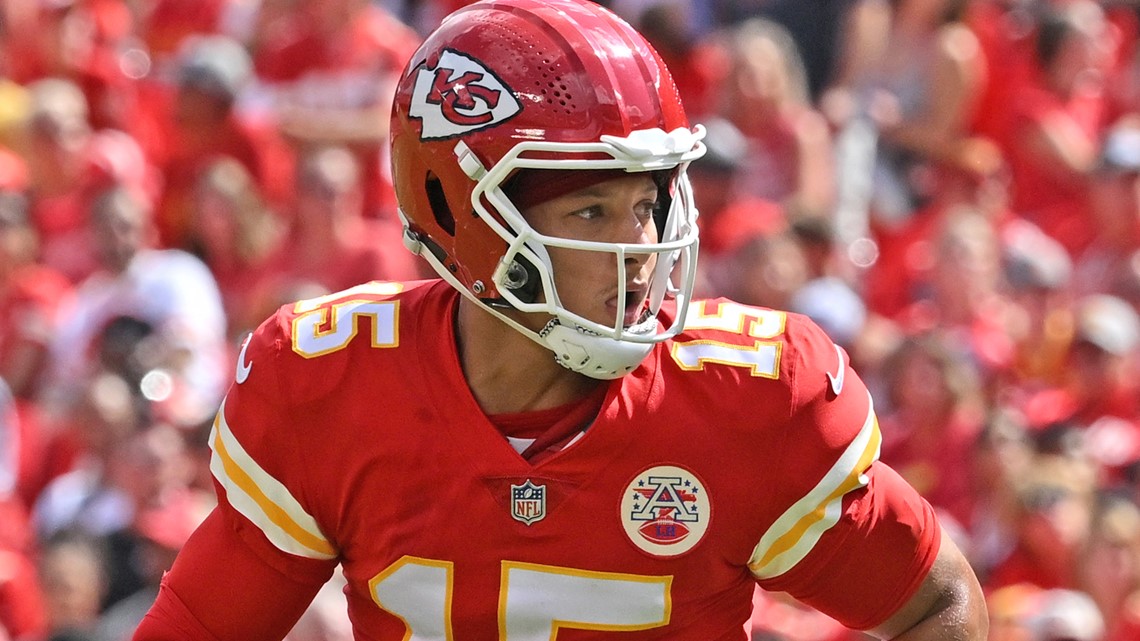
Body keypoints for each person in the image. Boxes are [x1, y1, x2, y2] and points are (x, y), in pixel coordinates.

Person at [132, 1, 988, 639]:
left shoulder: (747, 399)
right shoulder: (332, 385)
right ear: (459, 214)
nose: (642, 248)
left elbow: (937, 604)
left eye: (647, 204)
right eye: (589, 212)